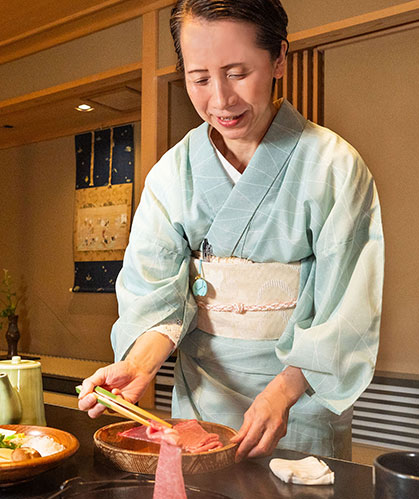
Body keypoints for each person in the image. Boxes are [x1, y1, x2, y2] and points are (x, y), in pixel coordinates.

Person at [79, 0, 383, 461]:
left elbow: (345, 308)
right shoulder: (171, 174)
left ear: (279, 58)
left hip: (299, 407)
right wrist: (139, 364)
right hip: (201, 405)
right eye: (199, 79)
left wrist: (283, 394)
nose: (220, 100)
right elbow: (154, 292)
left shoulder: (335, 167)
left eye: (238, 72)